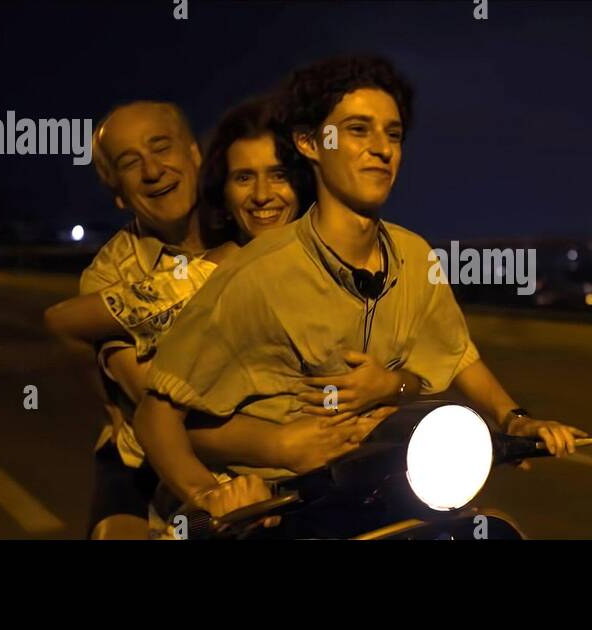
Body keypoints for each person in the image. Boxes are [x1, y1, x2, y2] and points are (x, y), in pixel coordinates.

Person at [134, 56, 587, 514]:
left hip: (386, 489)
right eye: (357, 130)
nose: (381, 148)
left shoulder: (413, 256)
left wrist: (515, 419)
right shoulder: (257, 275)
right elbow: (157, 416)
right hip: (284, 507)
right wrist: (214, 495)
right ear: (310, 142)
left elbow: (458, 353)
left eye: (392, 134)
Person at [47, 99, 391, 538]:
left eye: (162, 148)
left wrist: (390, 386)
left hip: (292, 459)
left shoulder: (252, 220)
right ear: (116, 189)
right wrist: (279, 442)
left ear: (195, 154)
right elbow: (169, 411)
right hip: (154, 463)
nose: (153, 171)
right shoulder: (111, 276)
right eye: (131, 163)